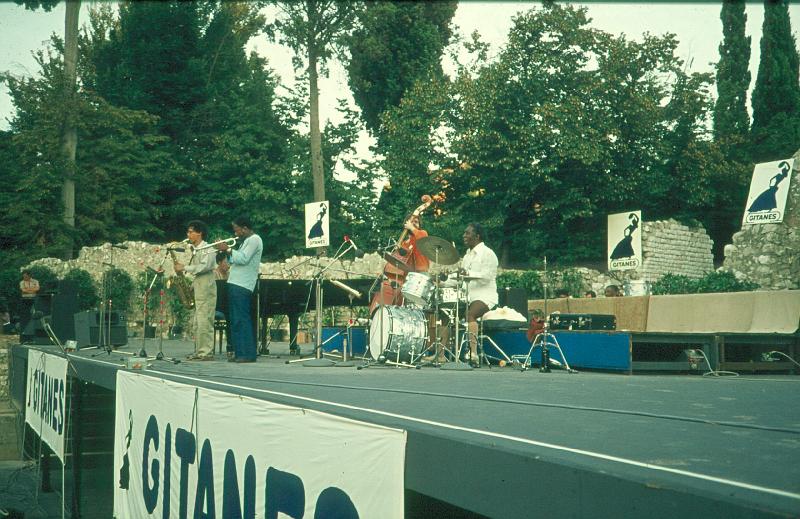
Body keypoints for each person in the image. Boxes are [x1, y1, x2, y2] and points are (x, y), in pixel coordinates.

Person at [437, 223, 499, 367]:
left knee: (469, 315)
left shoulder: (488, 253)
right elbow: (460, 280)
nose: (464, 236)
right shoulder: (467, 256)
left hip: (485, 296)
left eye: (467, 233)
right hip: (468, 296)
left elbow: (487, 276)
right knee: (444, 312)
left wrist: (467, 273)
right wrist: (443, 282)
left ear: (477, 236)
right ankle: (440, 355)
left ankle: (473, 354)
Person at [216, 216, 263, 363]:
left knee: (242, 320)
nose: (235, 233)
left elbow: (243, 259)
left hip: (243, 285)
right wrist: (226, 253)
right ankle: (239, 352)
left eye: (237, 230)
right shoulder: (245, 242)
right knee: (235, 320)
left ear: (245, 228)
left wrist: (228, 249)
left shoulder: (255, 239)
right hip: (235, 283)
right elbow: (235, 260)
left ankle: (247, 354)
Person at [174, 220, 217, 361]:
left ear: (200, 233)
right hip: (199, 284)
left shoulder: (208, 248)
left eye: (191, 232)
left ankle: (206, 352)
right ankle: (199, 351)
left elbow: (204, 267)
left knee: (205, 320)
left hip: (206, 285)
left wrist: (184, 267)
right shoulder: (195, 249)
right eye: (188, 232)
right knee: (197, 321)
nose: (188, 234)